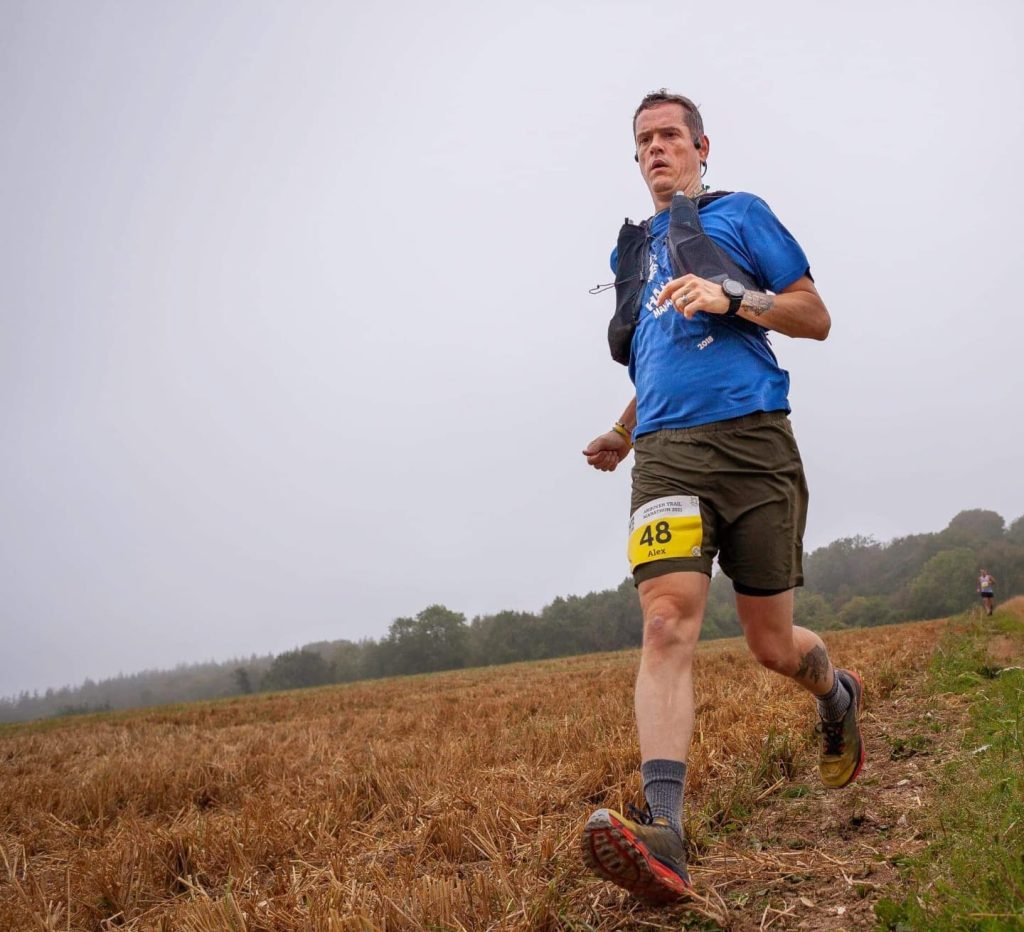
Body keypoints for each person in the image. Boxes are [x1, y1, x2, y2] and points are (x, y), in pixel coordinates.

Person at [579, 90, 864, 903]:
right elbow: (657, 355)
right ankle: (664, 831)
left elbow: (815, 315)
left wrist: (733, 297)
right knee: (665, 622)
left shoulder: (741, 215)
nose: (657, 149)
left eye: (671, 136)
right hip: (666, 457)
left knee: (771, 645)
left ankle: (835, 692)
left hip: (753, 441)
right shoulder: (630, 255)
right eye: (644, 141)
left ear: (703, 147)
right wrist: (624, 430)